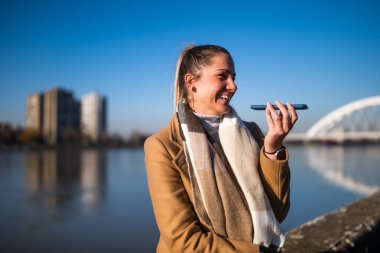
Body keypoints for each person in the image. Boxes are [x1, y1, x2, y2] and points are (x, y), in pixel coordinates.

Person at [144, 45, 298, 253]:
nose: (233, 86)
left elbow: (277, 212)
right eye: (222, 76)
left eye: (233, 77)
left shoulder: (252, 132)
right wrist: (257, 251)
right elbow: (183, 240)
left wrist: (272, 148)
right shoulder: (162, 146)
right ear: (191, 82)